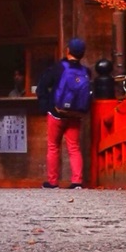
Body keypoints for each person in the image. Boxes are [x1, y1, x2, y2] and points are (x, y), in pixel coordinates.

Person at [36, 36, 92, 189]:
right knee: (74, 147)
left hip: (57, 113)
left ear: (68, 50)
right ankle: (77, 181)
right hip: (75, 115)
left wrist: (46, 106)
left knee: (53, 146)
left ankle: (53, 182)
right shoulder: (86, 71)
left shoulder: (58, 68)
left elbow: (42, 86)